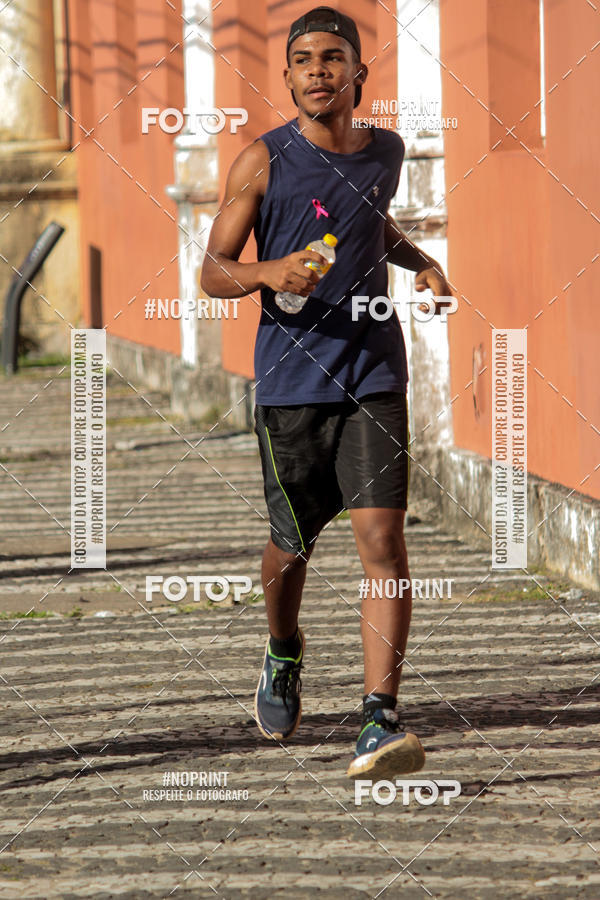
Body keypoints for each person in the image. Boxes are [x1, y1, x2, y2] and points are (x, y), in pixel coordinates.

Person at [201, 6, 452, 779]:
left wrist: (423, 266)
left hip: (374, 370)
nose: (317, 69)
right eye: (303, 58)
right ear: (287, 76)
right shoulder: (263, 160)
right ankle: (283, 649)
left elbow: (371, 225)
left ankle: (379, 719)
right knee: (293, 545)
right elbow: (211, 271)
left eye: (333, 57)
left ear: (357, 75)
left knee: (383, 541)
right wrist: (269, 273)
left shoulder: (387, 151)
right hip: (291, 382)